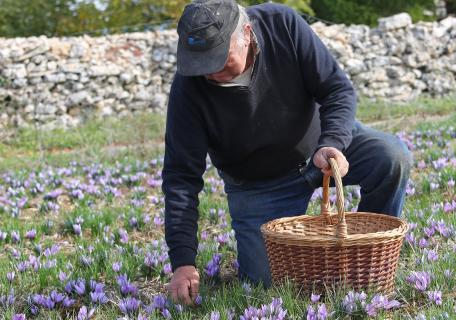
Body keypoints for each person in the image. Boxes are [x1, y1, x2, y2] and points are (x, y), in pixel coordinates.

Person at [162, 0, 412, 306]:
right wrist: (183, 262)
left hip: (321, 147)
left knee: (391, 156)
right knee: (269, 284)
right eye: (202, 64)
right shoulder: (189, 86)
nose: (212, 72)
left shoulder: (282, 24)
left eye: (221, 59)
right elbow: (180, 178)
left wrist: (332, 141)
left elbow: (337, 89)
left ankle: (365, 253)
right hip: (259, 184)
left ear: (247, 34)